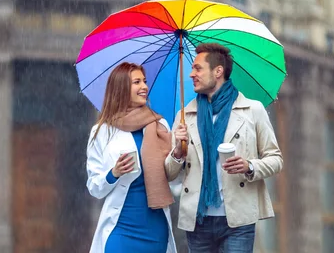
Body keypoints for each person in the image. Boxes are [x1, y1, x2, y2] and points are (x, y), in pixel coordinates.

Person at [165, 43, 283, 253]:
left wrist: (249, 166)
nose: (192, 74)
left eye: (198, 68)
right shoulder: (185, 116)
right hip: (198, 220)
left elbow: (275, 159)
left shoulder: (252, 110)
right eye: (192, 68)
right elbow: (170, 174)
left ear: (218, 71)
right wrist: (177, 153)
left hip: (237, 220)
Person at [86, 62, 178, 253]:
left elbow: (175, 181)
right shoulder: (102, 131)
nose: (144, 86)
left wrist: (178, 154)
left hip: (155, 229)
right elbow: (95, 187)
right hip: (120, 229)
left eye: (144, 81)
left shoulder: (160, 125)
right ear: (121, 88)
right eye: (137, 82)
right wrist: (113, 174)